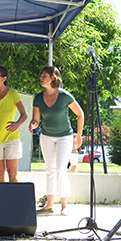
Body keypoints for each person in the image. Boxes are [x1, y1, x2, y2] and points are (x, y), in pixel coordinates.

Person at [29, 66, 84, 216]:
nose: (41, 78)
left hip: (65, 136)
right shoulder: (38, 98)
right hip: (46, 136)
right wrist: (33, 124)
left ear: (53, 78)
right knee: (50, 169)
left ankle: (64, 206)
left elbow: (80, 114)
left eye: (44, 75)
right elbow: (36, 120)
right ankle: (50, 204)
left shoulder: (65, 96)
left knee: (60, 168)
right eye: (41, 75)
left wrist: (78, 136)